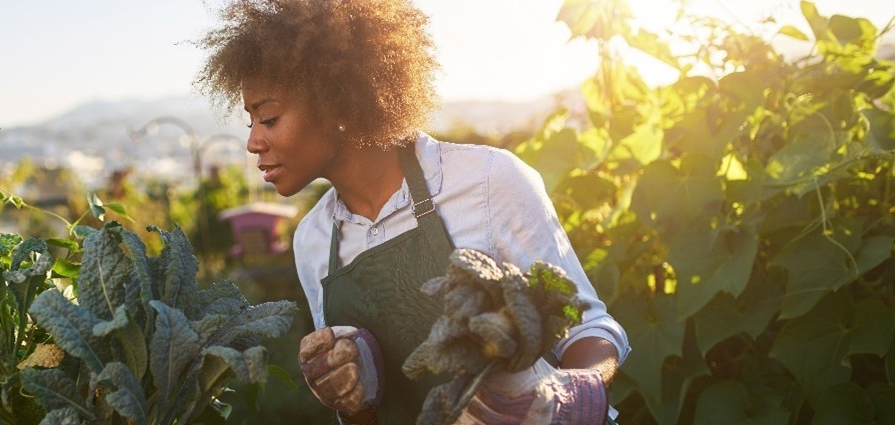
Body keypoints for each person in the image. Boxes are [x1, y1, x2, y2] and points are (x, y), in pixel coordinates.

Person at [195, 0, 631, 424]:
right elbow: (363, 414)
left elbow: (589, 325)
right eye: (250, 121)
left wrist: (575, 392)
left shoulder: (486, 181)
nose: (253, 141)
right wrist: (351, 396)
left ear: (338, 104)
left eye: (268, 118)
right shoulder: (312, 241)